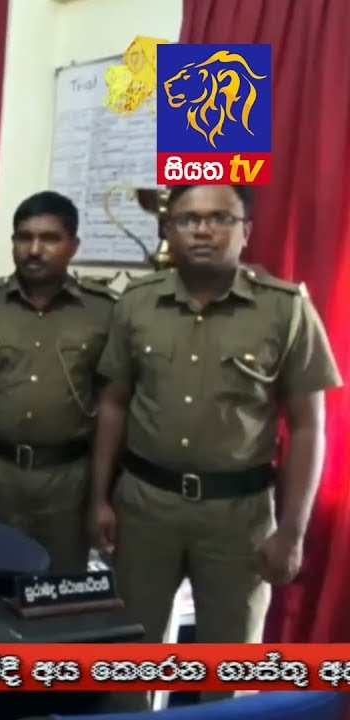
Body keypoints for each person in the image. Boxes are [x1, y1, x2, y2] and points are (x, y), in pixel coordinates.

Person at [91, 185, 341, 701]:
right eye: (188, 219)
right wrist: (99, 498)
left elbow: (308, 426)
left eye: (220, 218)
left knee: (231, 670)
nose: (203, 229)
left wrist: (292, 532)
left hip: (238, 517)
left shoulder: (286, 309)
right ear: (168, 230)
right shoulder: (136, 304)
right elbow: (113, 403)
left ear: (245, 231)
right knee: (129, 658)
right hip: (146, 507)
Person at [0, 191, 115, 572]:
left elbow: (115, 405)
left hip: (65, 486)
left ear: (74, 246)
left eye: (50, 239)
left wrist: (101, 498)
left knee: (55, 591)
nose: (34, 250)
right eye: (24, 237)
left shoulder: (103, 312)